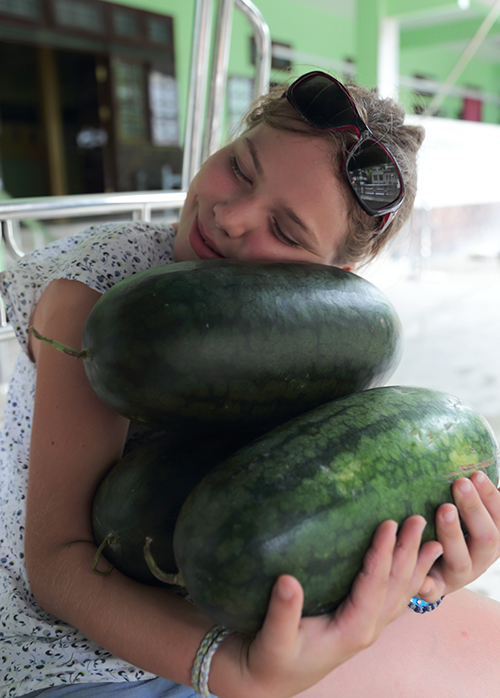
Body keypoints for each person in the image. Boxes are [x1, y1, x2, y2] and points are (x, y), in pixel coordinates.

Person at [0, 70, 499, 698]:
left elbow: (308, 518)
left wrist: (422, 581)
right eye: (240, 167)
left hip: (229, 613)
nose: (232, 217)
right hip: (68, 651)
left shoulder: (325, 338)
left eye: (287, 231)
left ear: (332, 276)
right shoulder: (97, 300)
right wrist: (228, 670)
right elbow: (58, 565)